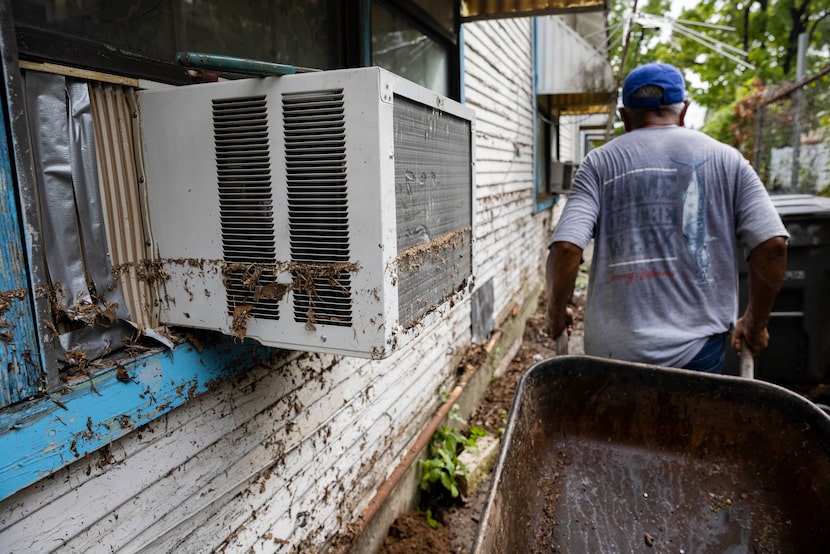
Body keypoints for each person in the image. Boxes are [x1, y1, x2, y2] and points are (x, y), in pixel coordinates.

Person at [545, 61, 788, 374]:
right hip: (697, 351)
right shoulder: (729, 160)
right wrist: (755, 323)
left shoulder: (598, 164)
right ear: (683, 111)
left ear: (624, 117)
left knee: (618, 425)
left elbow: (566, 248)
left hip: (614, 352)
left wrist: (555, 311)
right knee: (690, 424)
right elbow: (773, 245)